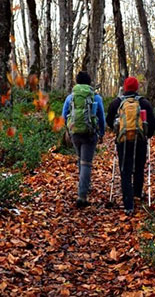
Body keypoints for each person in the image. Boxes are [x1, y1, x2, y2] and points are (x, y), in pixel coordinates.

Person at [106, 76, 155, 215]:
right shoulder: (144, 103)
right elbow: (153, 123)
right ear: (137, 88)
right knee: (139, 167)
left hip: (123, 140)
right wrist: (148, 134)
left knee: (125, 171)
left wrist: (117, 131)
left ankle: (128, 205)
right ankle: (137, 194)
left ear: (125, 87)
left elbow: (109, 120)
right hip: (140, 140)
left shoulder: (117, 103)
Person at [62, 71, 106, 208]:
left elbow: (64, 116)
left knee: (81, 159)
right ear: (89, 82)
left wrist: (69, 130)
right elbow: (102, 117)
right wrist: (102, 133)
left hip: (75, 133)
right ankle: (82, 196)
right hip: (90, 133)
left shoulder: (71, 97)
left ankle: (84, 185)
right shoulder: (95, 97)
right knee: (86, 163)